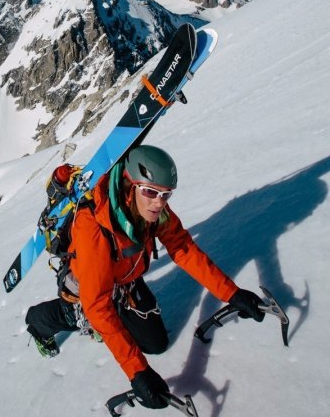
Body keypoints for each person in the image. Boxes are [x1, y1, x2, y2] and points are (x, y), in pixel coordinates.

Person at [25, 145, 264, 410]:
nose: (159, 202)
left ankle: (106, 324)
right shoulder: (93, 225)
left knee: (156, 343)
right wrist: (138, 373)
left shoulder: (154, 210)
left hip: (126, 279)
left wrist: (232, 293)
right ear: (130, 185)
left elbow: (182, 248)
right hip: (89, 286)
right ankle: (38, 323)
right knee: (86, 314)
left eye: (165, 194)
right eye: (151, 193)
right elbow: (97, 303)